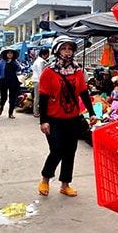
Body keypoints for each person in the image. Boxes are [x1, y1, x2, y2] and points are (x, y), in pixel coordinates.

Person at [37, 36, 97, 198]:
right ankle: (45, 178)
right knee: (57, 149)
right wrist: (44, 121)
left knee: (70, 151)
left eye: (70, 49)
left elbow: (84, 93)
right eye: (64, 48)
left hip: (72, 118)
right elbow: (43, 98)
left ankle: (65, 184)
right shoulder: (48, 72)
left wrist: (92, 113)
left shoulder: (77, 71)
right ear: (57, 50)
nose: (67, 52)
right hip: (53, 118)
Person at [0, 47, 22, 119]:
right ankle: (1, 108)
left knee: (12, 98)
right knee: (3, 97)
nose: (10, 54)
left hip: (13, 81)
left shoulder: (15, 62)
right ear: (5, 54)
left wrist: (12, 63)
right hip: (4, 81)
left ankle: (10, 113)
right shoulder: (1, 62)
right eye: (8, 53)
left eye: (11, 53)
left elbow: (19, 69)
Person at [31, 48, 50, 118]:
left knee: (38, 97)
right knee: (37, 97)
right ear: (44, 54)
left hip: (37, 80)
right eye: (47, 54)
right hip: (38, 81)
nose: (48, 56)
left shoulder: (39, 60)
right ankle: (36, 112)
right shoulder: (40, 61)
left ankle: (36, 111)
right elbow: (40, 73)